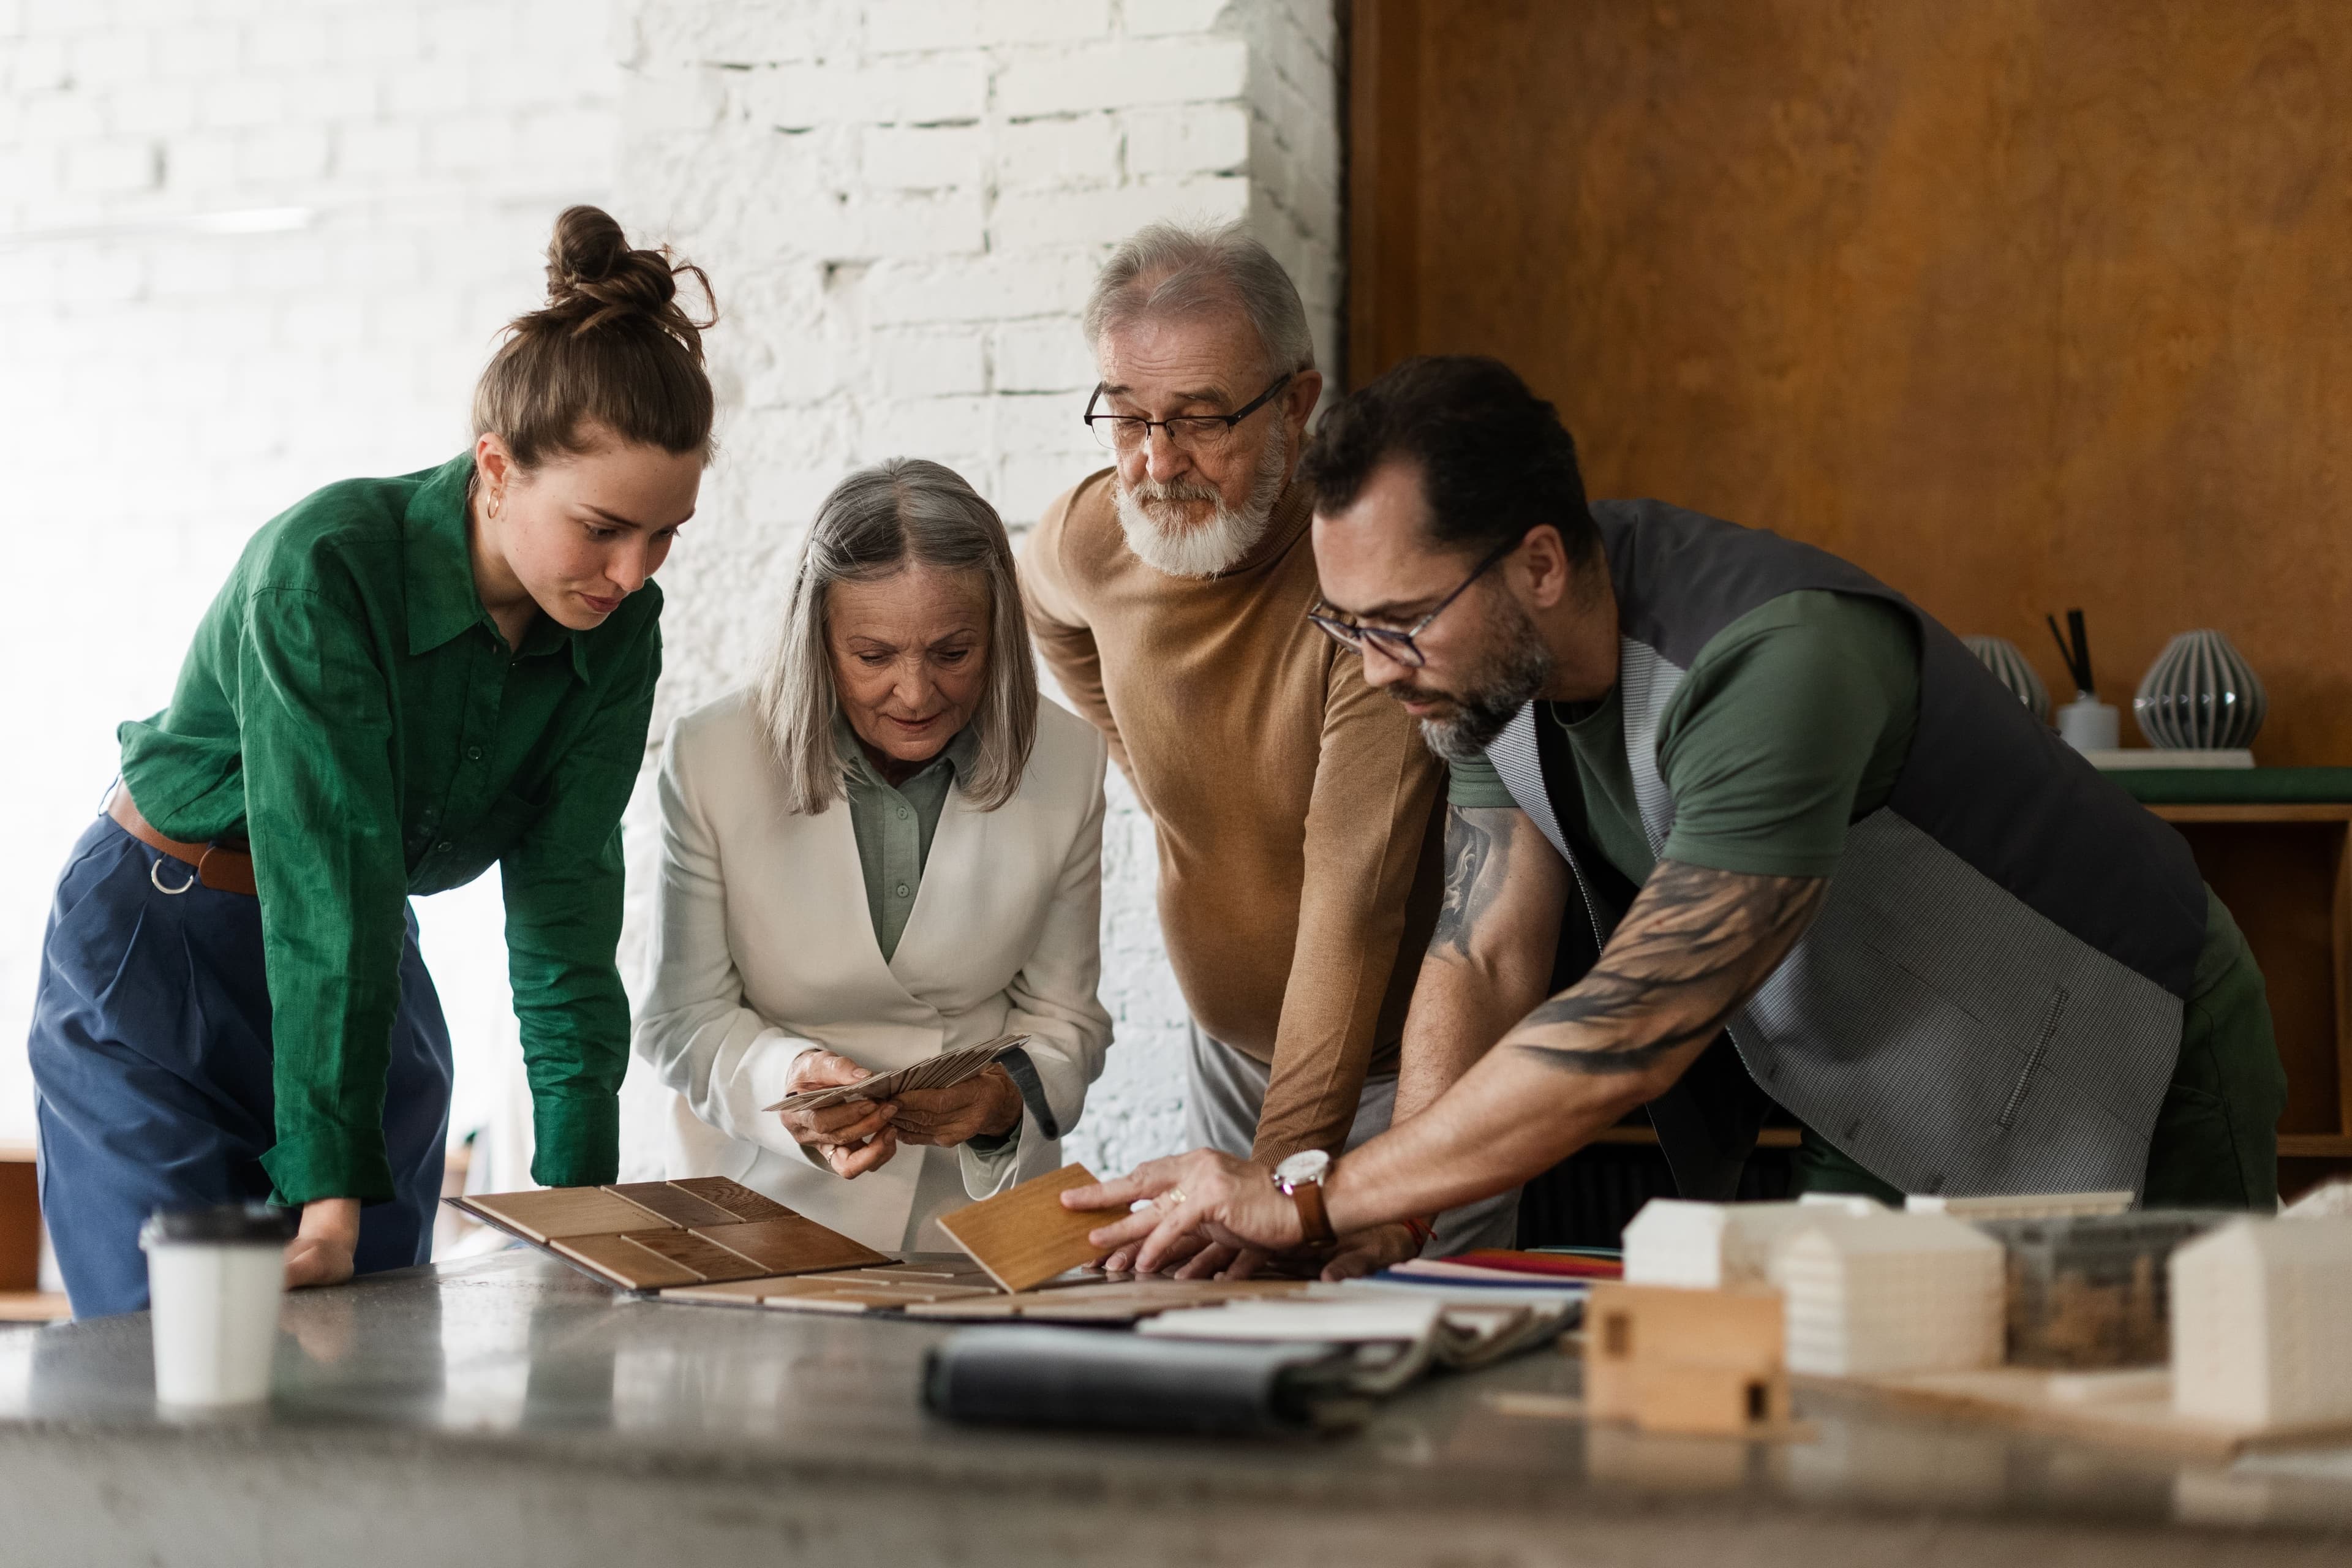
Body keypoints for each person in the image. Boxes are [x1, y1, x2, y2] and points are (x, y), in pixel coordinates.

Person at [1069, 354, 2287, 1276]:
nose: (1376, 668)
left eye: (1400, 622)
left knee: (2161, 1429)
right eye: (1349, 627)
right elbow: (1483, 950)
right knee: (1855, 1423)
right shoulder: (1484, 673)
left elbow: (1635, 1019)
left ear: (1539, 564)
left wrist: (1314, 1194)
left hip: (2118, 1040)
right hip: (1875, 1078)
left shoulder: (1774, 663)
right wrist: (1400, 1207)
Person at [28, 206, 718, 1316]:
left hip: (361, 961)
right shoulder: (327, 567)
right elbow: (328, 876)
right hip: (163, 944)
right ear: (496, 469)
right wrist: (329, 1206)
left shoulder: (621, 629)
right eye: (601, 528)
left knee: (374, 1343)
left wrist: (580, 1200)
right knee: (175, 1342)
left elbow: (568, 909)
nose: (632, 573)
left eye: (666, 533)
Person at [1020, 222, 1509, 1271]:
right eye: (1128, 417)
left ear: (1296, 404)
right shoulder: (1094, 534)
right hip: (1229, 1060)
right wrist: (1155, 780)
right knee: (1231, 1341)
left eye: (1201, 420)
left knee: (1415, 1355)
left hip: (1411, 1085)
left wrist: (1281, 1174)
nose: (1157, 463)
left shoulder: (1363, 589)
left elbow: (1354, 906)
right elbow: (1041, 605)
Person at [635, 459, 1113, 1253]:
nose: (916, 694)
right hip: (762, 1210)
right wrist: (788, 1082)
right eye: (874, 656)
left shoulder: (1069, 762)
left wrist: (1001, 1101)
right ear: (818, 640)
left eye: (954, 653)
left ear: (998, 635)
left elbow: (1066, 1020)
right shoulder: (711, 757)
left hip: (976, 1221)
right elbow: (681, 1020)